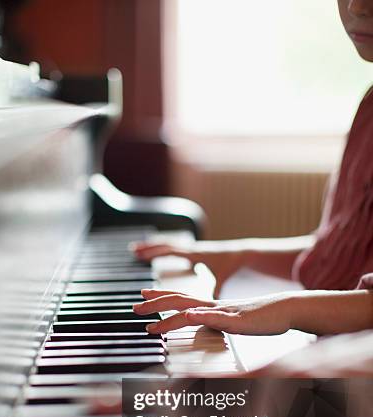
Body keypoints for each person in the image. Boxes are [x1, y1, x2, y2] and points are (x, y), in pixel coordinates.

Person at [131, 0, 373, 340]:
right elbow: (341, 257)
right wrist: (242, 254)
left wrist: (280, 308)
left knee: (153, 393)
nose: (356, 6)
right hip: (335, 353)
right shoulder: (369, 106)